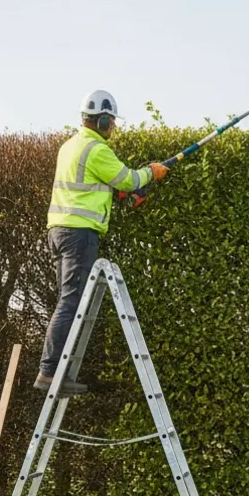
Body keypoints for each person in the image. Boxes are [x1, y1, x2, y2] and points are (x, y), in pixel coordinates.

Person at [35, 90, 168, 392]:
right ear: (104, 119)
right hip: (79, 233)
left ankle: (54, 373)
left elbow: (93, 185)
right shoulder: (96, 149)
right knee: (71, 301)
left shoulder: (70, 146)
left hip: (60, 230)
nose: (114, 128)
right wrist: (153, 172)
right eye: (112, 123)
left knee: (67, 300)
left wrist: (117, 193)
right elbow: (130, 180)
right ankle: (49, 372)